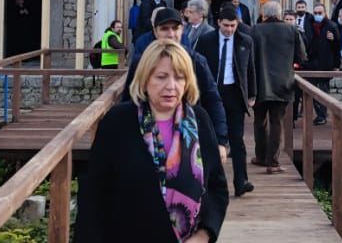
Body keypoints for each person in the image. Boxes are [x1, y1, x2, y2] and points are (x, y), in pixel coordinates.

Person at [74, 39, 228, 243]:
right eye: (161, 77)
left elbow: (217, 187)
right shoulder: (118, 121)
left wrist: (204, 234)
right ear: (145, 79)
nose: (171, 86)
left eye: (179, 77)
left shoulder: (200, 120)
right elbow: (94, 194)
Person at [126, 7, 230, 152]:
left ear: (182, 30)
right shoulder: (142, 62)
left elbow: (212, 99)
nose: (171, 34)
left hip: (191, 137)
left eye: (175, 28)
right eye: (164, 29)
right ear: (155, 31)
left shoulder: (196, 61)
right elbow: (129, 98)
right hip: (145, 136)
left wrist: (220, 141)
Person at [194, 3, 256, 196]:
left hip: (234, 93)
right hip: (212, 92)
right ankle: (208, 182)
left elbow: (250, 68)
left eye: (233, 26)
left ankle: (241, 181)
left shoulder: (245, 41)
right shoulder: (206, 40)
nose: (229, 29)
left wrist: (252, 94)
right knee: (209, 137)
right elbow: (196, 67)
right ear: (219, 23)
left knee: (237, 139)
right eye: (226, 25)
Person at [250, 1, 306, 174]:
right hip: (283, 83)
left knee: (259, 121)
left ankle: (260, 156)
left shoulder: (255, 30)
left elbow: (249, 56)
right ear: (280, 14)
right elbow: (302, 57)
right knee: (276, 122)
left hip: (260, 83)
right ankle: (273, 162)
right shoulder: (291, 30)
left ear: (264, 14)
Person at [298, 3, 341, 125]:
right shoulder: (310, 24)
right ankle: (319, 113)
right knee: (310, 89)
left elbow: (337, 47)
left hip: (325, 64)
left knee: (323, 90)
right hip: (311, 63)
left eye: (320, 13)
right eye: (315, 13)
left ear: (325, 13)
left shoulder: (331, 26)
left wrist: (336, 65)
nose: (317, 15)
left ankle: (322, 115)